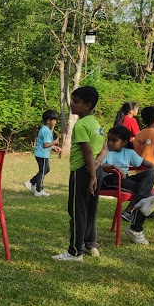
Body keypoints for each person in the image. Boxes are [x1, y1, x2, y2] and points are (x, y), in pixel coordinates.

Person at [52, 86, 105, 261]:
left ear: (88, 105)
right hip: (97, 170)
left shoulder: (81, 125)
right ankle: (91, 245)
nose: (71, 105)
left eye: (76, 102)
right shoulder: (96, 124)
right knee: (90, 210)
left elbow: (87, 151)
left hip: (83, 172)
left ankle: (75, 252)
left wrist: (91, 176)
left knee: (77, 211)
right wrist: (97, 168)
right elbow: (104, 148)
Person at [100, 125, 154, 245]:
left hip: (125, 180)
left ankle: (132, 209)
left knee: (150, 173)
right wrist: (114, 167)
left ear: (124, 142)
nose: (109, 143)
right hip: (110, 179)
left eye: (114, 140)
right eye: (108, 139)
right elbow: (98, 164)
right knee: (146, 194)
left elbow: (143, 162)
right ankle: (135, 222)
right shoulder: (106, 151)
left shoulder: (129, 152)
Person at [25, 110, 60, 196]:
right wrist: (54, 142)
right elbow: (45, 145)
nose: (55, 122)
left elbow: (45, 144)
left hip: (40, 153)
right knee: (44, 170)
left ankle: (32, 182)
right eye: (54, 120)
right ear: (48, 121)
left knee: (44, 170)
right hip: (42, 154)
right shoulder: (47, 131)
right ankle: (38, 190)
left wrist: (53, 147)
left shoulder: (44, 129)